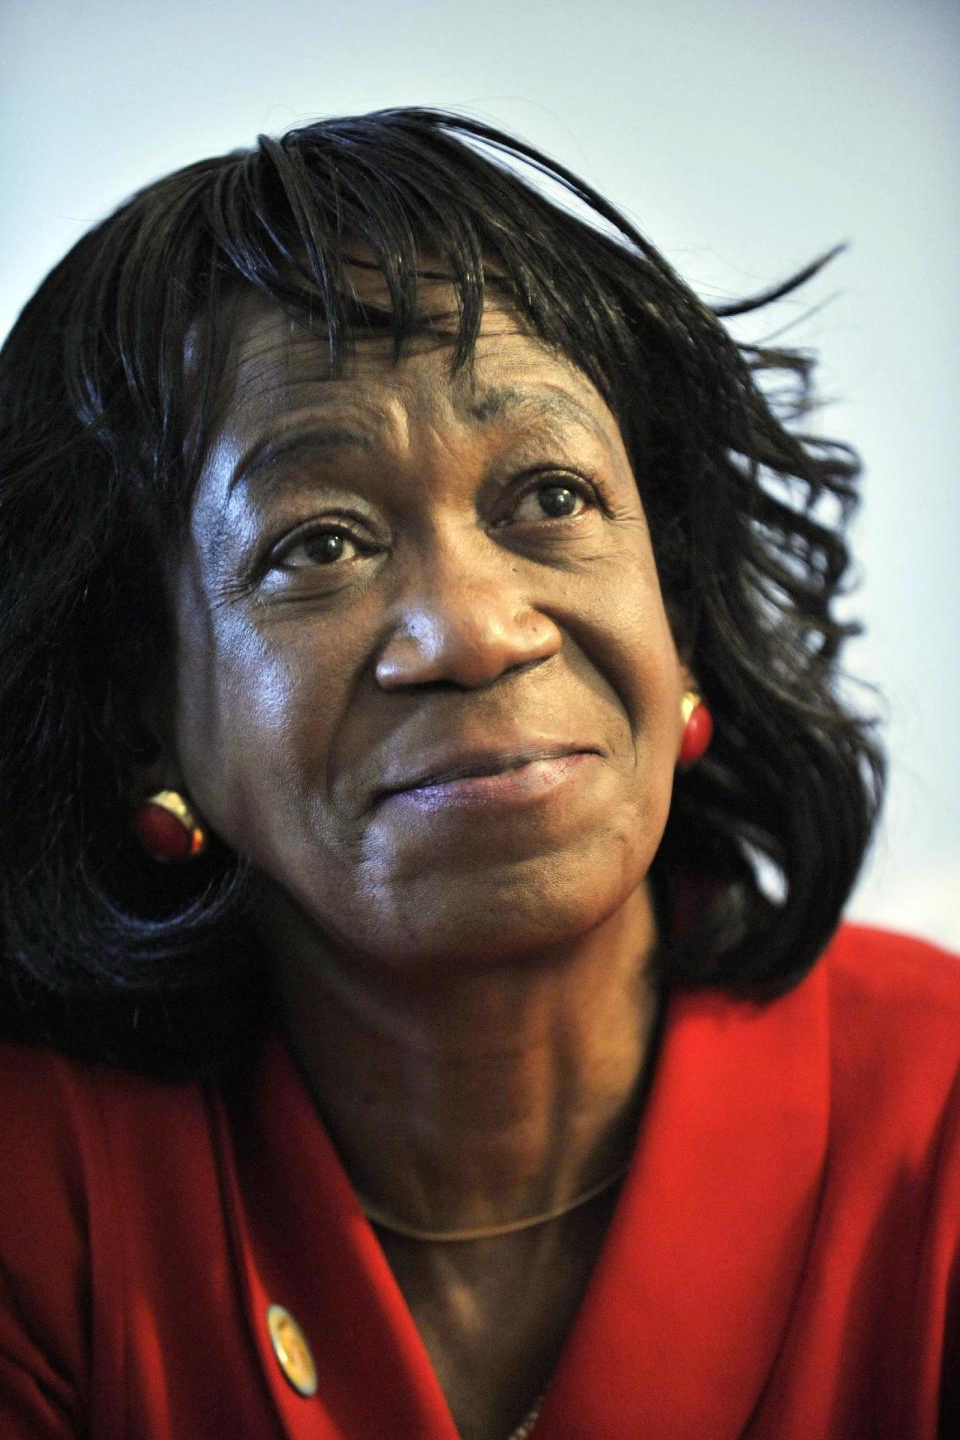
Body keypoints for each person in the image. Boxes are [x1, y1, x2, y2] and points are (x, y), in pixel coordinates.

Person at [0, 107, 956, 1440]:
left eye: (551, 498)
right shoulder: (40, 1183)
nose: (474, 627)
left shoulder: (942, 1107)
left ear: (673, 606)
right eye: (319, 543)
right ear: (137, 715)